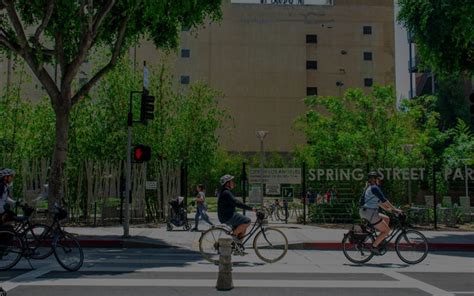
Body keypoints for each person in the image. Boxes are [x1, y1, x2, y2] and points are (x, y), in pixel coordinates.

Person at [359, 171, 402, 255]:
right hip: (369, 212)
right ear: (374, 179)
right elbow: (384, 200)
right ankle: (374, 246)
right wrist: (395, 209)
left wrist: (389, 209)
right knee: (387, 230)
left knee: (386, 218)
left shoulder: (371, 187)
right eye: (378, 178)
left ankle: (380, 239)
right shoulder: (374, 188)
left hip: (367, 211)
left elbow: (379, 202)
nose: (379, 180)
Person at [217, 175, 256, 244]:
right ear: (227, 183)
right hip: (228, 216)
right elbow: (236, 203)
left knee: (243, 228)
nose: (233, 183)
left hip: (227, 215)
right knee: (247, 221)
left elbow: (235, 202)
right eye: (231, 181)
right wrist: (251, 208)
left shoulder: (225, 192)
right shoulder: (226, 193)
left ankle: (237, 246)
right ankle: (231, 237)